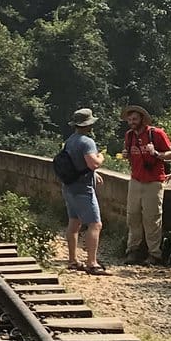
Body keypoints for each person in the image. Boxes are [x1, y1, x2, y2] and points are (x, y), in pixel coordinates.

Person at [121, 105, 171, 267]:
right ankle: (133, 250)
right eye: (129, 120)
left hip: (154, 181)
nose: (132, 122)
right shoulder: (129, 136)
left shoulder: (156, 134)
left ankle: (154, 254)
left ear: (142, 119)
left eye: (134, 119)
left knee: (152, 218)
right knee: (133, 216)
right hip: (136, 180)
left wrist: (156, 153)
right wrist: (126, 154)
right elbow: (130, 155)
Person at [59, 106, 106, 275]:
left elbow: (76, 163)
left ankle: (72, 260)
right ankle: (92, 263)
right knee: (95, 224)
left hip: (69, 187)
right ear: (88, 125)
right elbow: (92, 163)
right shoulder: (87, 142)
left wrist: (94, 174)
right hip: (82, 188)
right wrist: (101, 158)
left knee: (74, 223)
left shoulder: (70, 140)